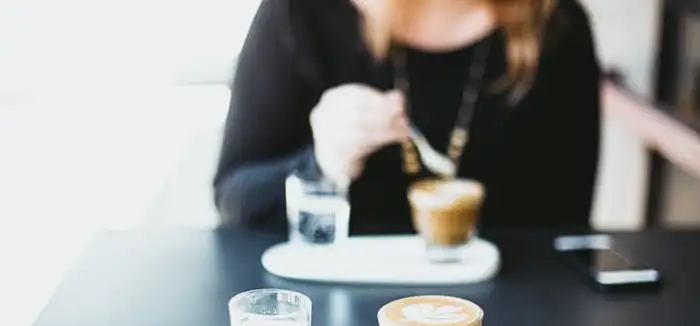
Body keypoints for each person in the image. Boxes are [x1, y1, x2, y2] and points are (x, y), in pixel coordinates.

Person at [213, 0, 601, 234]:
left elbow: (565, 225)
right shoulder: (304, 14)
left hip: (508, 323)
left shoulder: (556, 29)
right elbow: (236, 196)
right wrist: (324, 165)